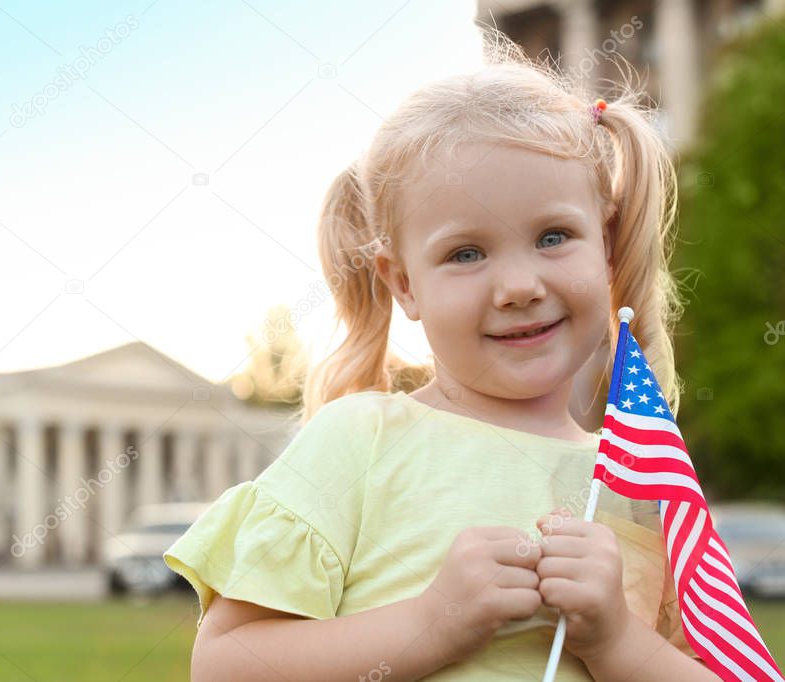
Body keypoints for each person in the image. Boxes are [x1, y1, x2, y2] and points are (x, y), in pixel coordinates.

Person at [163, 28, 718, 681]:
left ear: (607, 241)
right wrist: (434, 622)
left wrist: (616, 641)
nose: (517, 287)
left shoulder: (638, 478)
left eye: (553, 235)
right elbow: (226, 666)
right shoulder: (361, 440)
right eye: (465, 253)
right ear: (402, 283)